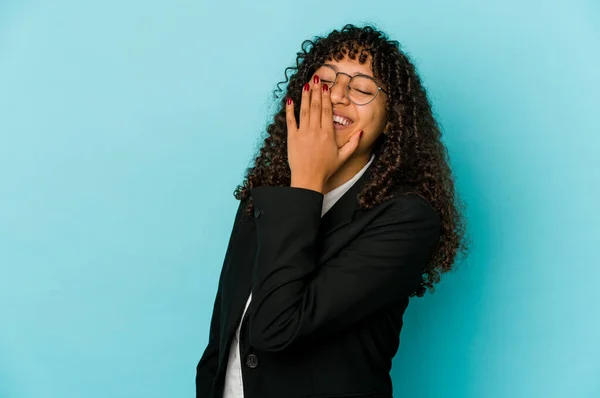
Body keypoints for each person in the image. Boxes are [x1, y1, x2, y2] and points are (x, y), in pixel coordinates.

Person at [195, 24, 468, 398]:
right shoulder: (264, 196)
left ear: (392, 119)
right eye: (324, 80)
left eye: (360, 89)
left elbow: (277, 327)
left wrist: (307, 178)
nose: (336, 95)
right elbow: (222, 337)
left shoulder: (407, 219)